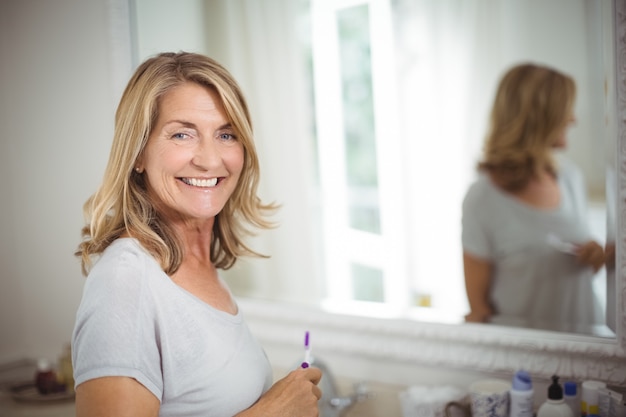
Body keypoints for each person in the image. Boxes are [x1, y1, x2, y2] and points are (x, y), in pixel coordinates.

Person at [72, 51, 322, 417]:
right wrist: (272, 412)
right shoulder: (125, 282)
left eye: (226, 134)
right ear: (138, 154)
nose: (209, 159)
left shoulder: (200, 265)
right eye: (182, 134)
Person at [461, 63, 605, 329]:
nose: (573, 118)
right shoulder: (482, 199)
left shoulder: (571, 177)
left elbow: (567, 276)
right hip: (528, 359)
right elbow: (479, 311)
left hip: (589, 347)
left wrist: (593, 256)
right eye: (565, 108)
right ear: (538, 116)